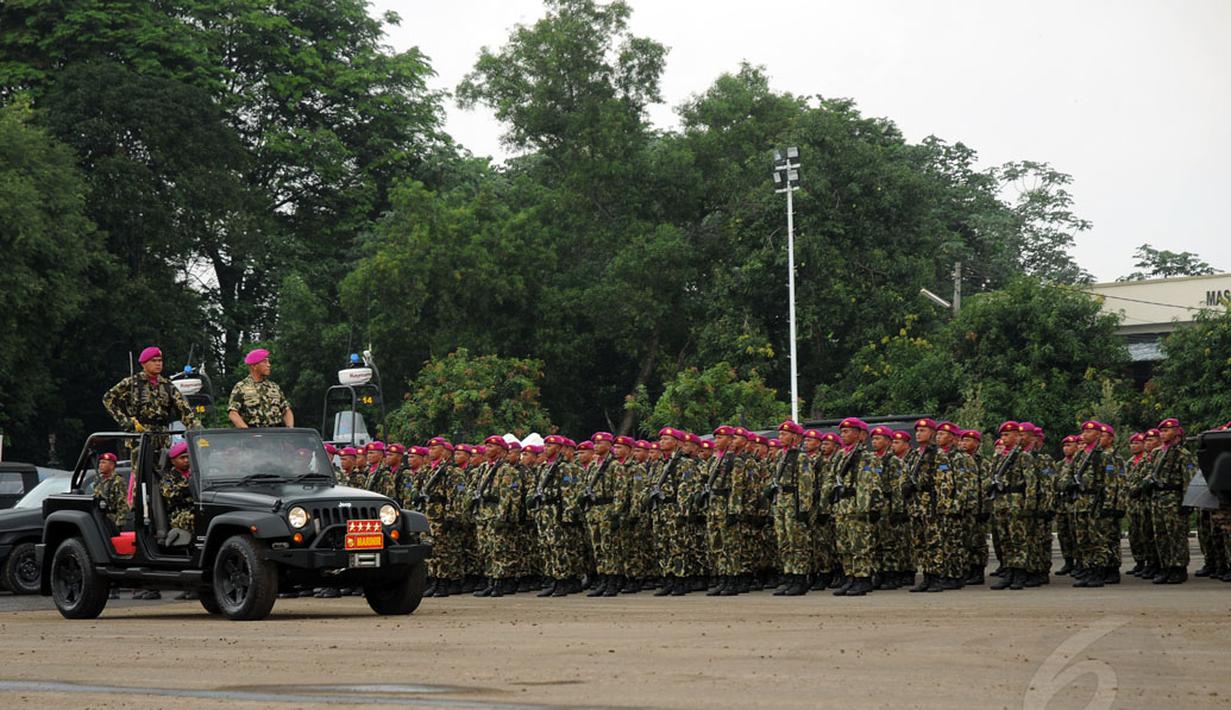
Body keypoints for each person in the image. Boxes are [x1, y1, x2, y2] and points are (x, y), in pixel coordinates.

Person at [103, 346, 199, 458]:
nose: (158, 364)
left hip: (162, 437)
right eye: (154, 361)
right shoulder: (132, 383)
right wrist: (126, 421)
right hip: (140, 436)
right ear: (144, 364)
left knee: (164, 471)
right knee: (140, 472)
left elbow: (185, 411)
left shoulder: (168, 386)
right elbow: (108, 399)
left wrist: (198, 431)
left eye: (160, 360)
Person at [227, 348, 293, 428]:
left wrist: (289, 430)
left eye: (268, 362)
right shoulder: (241, 387)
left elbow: (286, 410)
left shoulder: (274, 387)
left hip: (276, 435)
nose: (269, 365)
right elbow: (233, 413)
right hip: (253, 435)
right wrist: (247, 433)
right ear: (254, 366)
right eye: (265, 362)